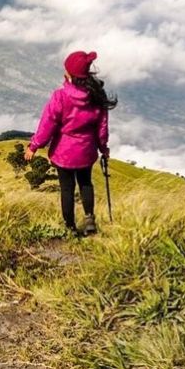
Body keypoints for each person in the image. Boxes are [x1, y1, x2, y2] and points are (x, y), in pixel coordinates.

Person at [26, 50, 117, 236]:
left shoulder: (60, 96)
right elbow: (102, 128)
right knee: (86, 183)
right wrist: (103, 148)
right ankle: (90, 218)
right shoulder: (96, 96)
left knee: (67, 190)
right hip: (86, 151)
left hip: (64, 154)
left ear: (69, 74)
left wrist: (34, 146)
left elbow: (47, 124)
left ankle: (70, 228)